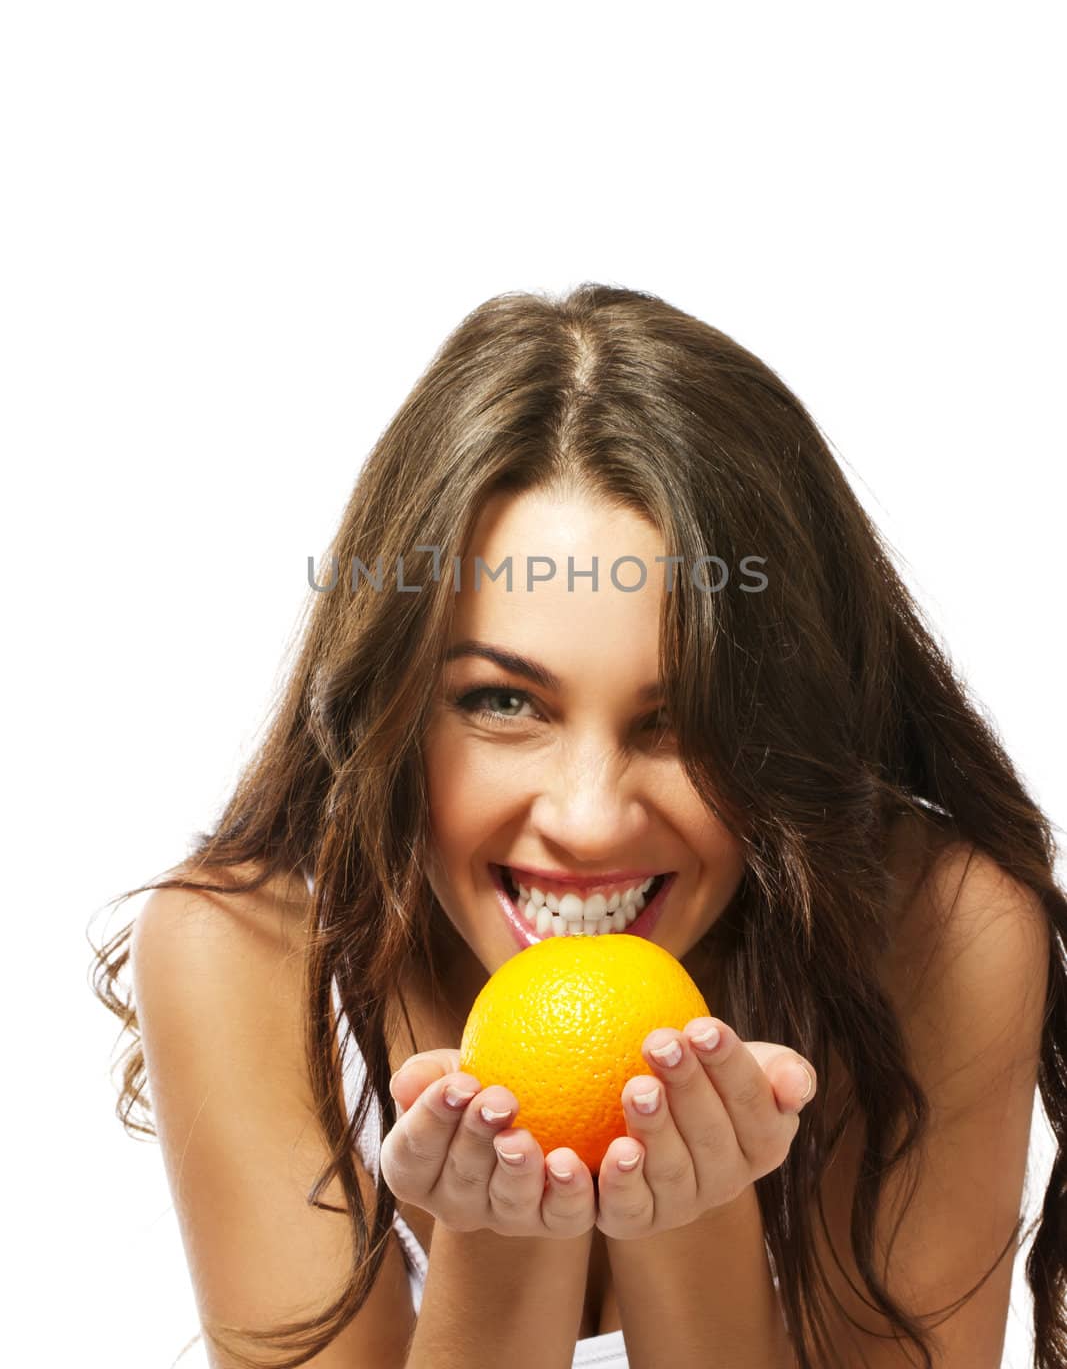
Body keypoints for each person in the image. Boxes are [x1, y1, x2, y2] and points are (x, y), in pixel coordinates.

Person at [90, 283, 1067, 1369]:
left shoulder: (940, 933)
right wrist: (503, 1236)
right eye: (503, 702)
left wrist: (684, 1222)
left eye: (684, 717)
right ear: (392, 705)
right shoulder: (244, 955)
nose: (590, 819)